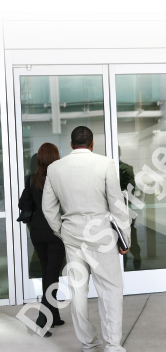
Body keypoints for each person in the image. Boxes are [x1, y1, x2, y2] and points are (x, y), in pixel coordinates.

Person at [42, 126, 131, 352]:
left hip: (72, 236)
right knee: (110, 290)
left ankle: (88, 344)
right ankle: (112, 344)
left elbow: (48, 208)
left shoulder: (54, 168)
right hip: (102, 236)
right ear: (92, 144)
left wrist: (61, 232)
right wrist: (125, 239)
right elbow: (117, 205)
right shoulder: (105, 164)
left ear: (71, 145)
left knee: (78, 292)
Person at [19, 143, 65, 338]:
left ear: (39, 158)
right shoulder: (60, 179)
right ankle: (41, 319)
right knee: (52, 276)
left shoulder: (31, 179)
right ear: (56, 158)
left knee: (48, 272)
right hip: (55, 233)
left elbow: (22, 203)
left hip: (37, 232)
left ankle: (53, 315)